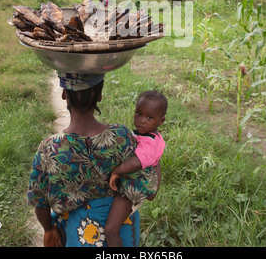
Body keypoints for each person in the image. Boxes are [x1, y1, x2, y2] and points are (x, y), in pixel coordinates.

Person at [27, 73, 158, 248]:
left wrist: (49, 229)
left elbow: (39, 200)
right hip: (121, 231)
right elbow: (149, 191)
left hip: (77, 234)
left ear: (64, 94)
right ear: (100, 95)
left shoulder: (49, 148)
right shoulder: (121, 136)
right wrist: (155, 154)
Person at [107, 90, 167, 246]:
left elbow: (137, 162)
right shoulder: (149, 136)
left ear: (161, 121)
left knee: (111, 229)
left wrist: (117, 170)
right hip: (137, 186)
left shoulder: (149, 142)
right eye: (138, 114)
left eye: (149, 117)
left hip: (131, 191)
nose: (141, 121)